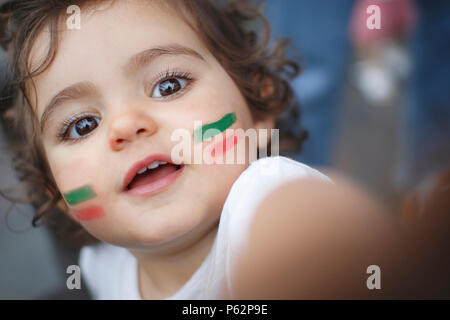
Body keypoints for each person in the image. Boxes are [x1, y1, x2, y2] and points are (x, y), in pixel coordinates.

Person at [0, 0, 396, 299]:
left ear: (257, 105)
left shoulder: (265, 201)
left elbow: (319, 229)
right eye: (81, 125)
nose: (125, 125)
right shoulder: (104, 269)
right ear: (56, 192)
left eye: (169, 85)